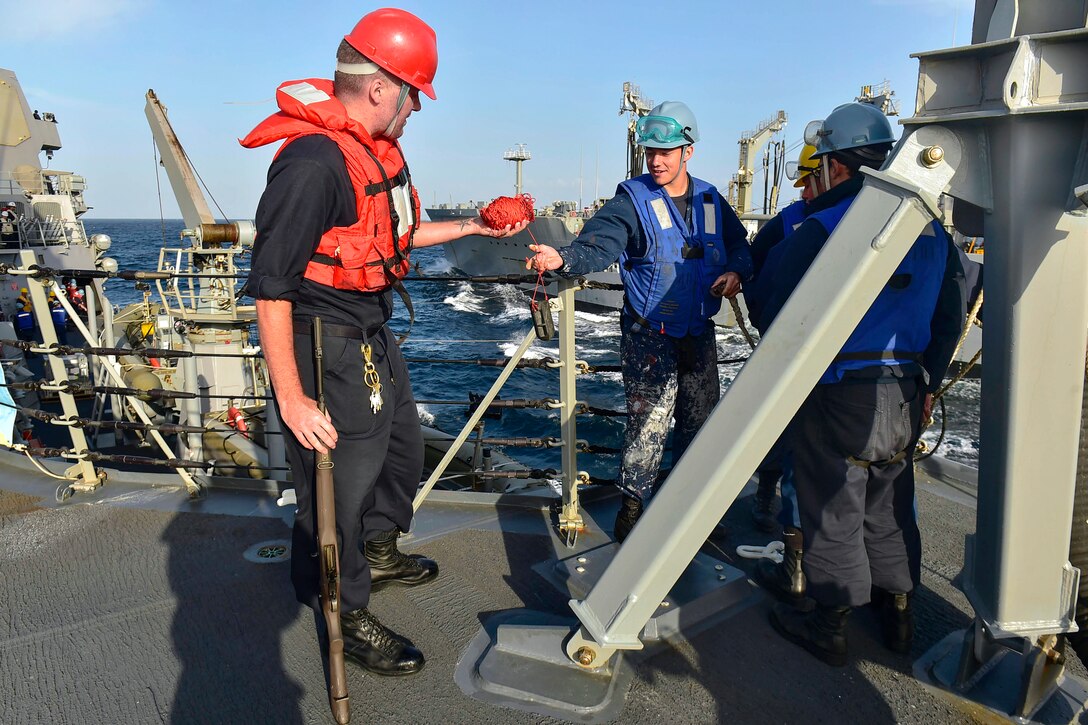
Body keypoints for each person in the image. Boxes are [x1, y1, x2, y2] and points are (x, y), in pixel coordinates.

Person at [241, 8, 526, 678]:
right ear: (380, 88)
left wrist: (473, 229)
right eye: (414, 95)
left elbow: (389, 240)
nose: (416, 110)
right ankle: (345, 607)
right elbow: (271, 286)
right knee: (339, 487)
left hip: (370, 327)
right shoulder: (314, 164)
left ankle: (378, 548)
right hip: (326, 345)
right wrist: (291, 397)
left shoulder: (372, 153)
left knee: (398, 452)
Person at [760, 102, 967, 666]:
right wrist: (928, 382)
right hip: (904, 390)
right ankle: (898, 616)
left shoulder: (823, 225)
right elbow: (951, 316)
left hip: (840, 388)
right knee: (890, 501)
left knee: (835, 505)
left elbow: (773, 308)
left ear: (835, 165)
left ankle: (830, 624)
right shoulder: (931, 233)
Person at [527, 101, 753, 543]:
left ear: (689, 150)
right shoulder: (631, 200)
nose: (656, 159)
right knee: (647, 423)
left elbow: (739, 245)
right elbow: (599, 244)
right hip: (649, 334)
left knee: (700, 423)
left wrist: (737, 272)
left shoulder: (711, 199)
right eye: (650, 150)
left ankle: (691, 509)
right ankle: (631, 510)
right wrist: (564, 258)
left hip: (698, 333)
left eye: (666, 151)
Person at [743, 144, 821, 537]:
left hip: (832, 356)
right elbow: (750, 263)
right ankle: (766, 494)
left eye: (808, 182)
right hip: (787, 347)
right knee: (781, 429)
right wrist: (765, 325)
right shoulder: (788, 222)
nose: (804, 192)